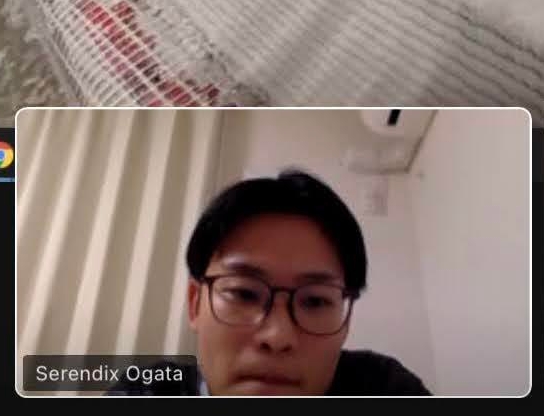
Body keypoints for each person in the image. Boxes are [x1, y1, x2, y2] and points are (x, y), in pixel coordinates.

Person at [170, 169, 428, 396]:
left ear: (346, 321)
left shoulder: (383, 387)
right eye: (244, 293)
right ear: (195, 303)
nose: (278, 337)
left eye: (315, 301)